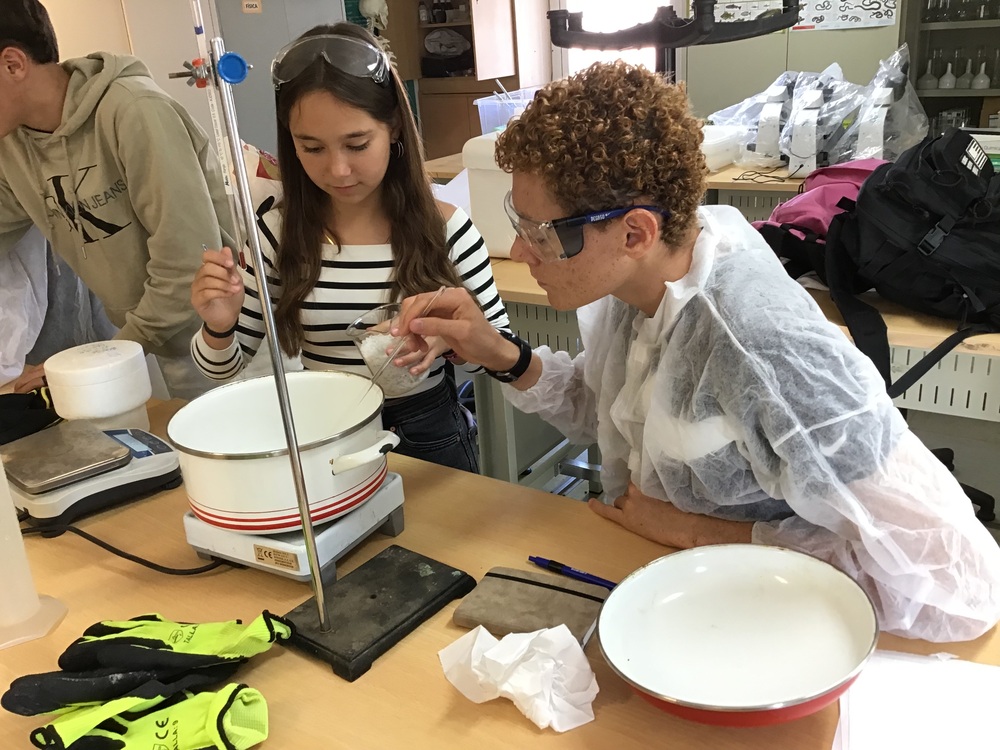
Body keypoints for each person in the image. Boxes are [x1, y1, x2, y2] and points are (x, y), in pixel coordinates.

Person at [394, 61, 1000, 642]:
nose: (521, 252)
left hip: (768, 615)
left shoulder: (760, 344)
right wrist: (498, 352)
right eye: (518, 221)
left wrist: (689, 529)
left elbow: (958, 579)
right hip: (667, 578)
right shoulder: (645, 287)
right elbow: (611, 408)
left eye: (541, 233)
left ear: (635, 232)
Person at [190, 23, 508, 473]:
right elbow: (221, 369)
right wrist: (219, 327)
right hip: (325, 431)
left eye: (357, 144)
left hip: (427, 432)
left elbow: (499, 357)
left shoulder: (447, 231)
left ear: (393, 127)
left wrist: (452, 340)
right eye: (312, 148)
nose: (338, 169)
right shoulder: (277, 234)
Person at [0, 0, 233, 399]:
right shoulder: (15, 146)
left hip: (225, 333)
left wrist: (106, 358)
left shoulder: (134, 111)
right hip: (149, 344)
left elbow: (187, 265)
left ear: (12, 64)